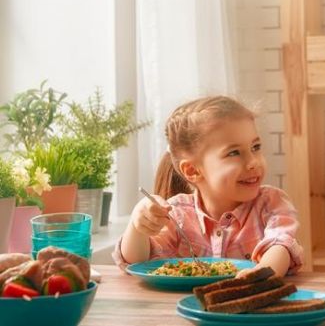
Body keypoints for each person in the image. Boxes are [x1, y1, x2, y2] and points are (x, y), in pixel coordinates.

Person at [114, 96, 303, 278]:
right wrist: (137, 226)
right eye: (234, 153)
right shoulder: (177, 214)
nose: (253, 162)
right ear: (192, 170)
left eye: (255, 147)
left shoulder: (271, 203)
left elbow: (280, 245)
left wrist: (261, 274)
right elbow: (137, 262)